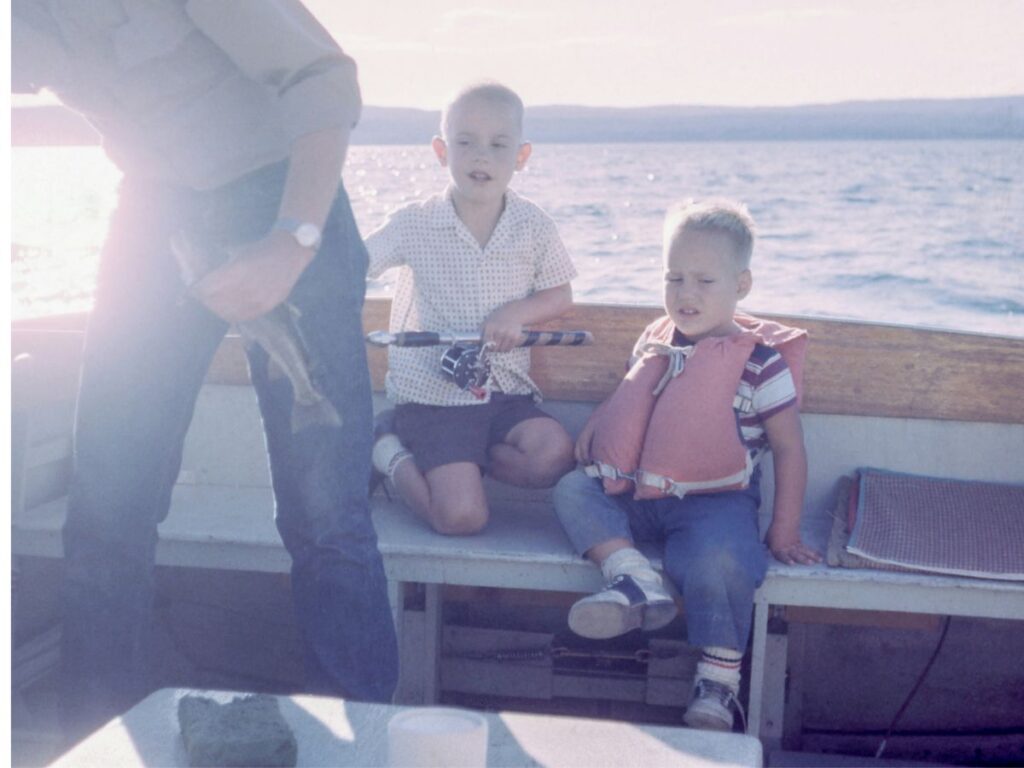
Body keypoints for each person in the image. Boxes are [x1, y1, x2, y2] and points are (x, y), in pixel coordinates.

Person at [12, 0, 398, 743]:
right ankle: (97, 744)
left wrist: (293, 242)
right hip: (152, 209)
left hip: (284, 194)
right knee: (106, 509)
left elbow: (325, 79)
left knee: (326, 515)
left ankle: (364, 738)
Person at [553, 198, 822, 731]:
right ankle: (633, 580)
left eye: (704, 281)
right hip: (635, 493)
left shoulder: (760, 365)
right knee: (571, 490)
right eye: (674, 278)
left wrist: (783, 530)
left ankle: (718, 684)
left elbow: (789, 447)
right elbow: (633, 397)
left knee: (723, 559)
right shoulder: (655, 338)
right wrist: (598, 423)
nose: (686, 294)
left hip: (715, 502)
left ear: (741, 286)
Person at [366, 82, 577, 535]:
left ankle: (458, 466)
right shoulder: (414, 223)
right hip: (435, 401)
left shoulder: (534, 224)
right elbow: (355, 265)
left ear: (521, 157)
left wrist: (515, 314)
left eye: (498, 145)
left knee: (554, 455)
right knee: (461, 518)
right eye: (466, 142)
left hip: (506, 395)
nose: (481, 156)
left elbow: (560, 295)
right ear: (442, 151)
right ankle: (388, 450)